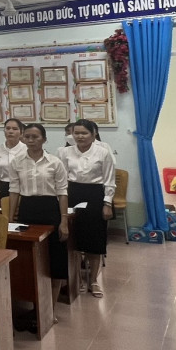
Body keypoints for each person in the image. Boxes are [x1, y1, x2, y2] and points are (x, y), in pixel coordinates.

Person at [9, 123, 71, 286]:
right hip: (27, 209)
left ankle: (53, 294)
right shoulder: (17, 161)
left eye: (35, 137)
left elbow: (62, 192)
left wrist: (64, 221)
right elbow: (14, 191)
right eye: (27, 137)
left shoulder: (55, 162)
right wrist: (10, 218)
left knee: (54, 253)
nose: (31, 140)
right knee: (28, 253)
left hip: (50, 209)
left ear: (44, 139)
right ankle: (34, 292)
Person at [60, 119, 116, 296]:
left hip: (95, 195)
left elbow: (109, 180)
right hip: (72, 194)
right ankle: (77, 279)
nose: (80, 136)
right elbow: (62, 179)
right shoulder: (65, 152)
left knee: (94, 240)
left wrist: (107, 203)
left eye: (84, 133)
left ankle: (93, 281)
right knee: (74, 240)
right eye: (76, 133)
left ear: (93, 134)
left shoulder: (103, 152)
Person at [0, 117, 24, 200]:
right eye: (8, 128)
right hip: (2, 186)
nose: (10, 131)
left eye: (15, 129)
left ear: (21, 132)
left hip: (22, 186)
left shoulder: (26, 149)